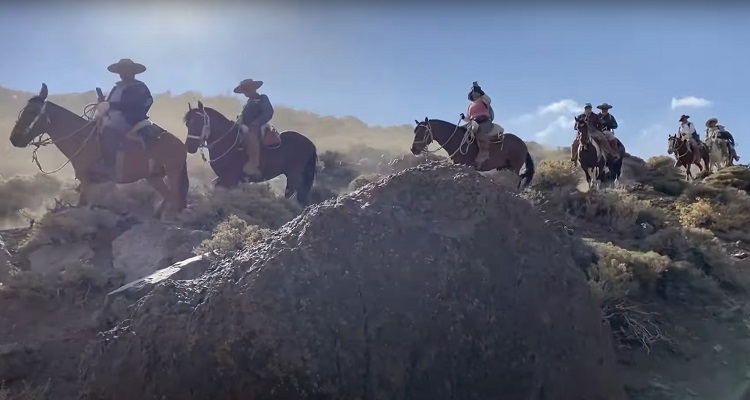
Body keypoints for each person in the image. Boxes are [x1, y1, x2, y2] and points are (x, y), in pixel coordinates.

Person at [97, 58, 154, 180]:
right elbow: (111, 103)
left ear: (133, 72)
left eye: (125, 70)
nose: (122, 73)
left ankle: (109, 167)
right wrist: (103, 104)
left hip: (130, 118)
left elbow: (138, 102)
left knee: (109, 132)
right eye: (121, 71)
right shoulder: (116, 87)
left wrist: (111, 105)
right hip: (112, 116)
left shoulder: (139, 87)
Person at [234, 78, 274, 178]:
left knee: (250, 133)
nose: (245, 92)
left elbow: (268, 112)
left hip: (259, 125)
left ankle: (254, 164)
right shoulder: (248, 103)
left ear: (253, 88)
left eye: (246, 89)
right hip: (245, 126)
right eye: (244, 90)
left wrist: (256, 123)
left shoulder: (262, 98)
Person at [460, 81, 499, 167]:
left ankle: (483, 155)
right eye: (474, 93)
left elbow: (489, 100)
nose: (475, 94)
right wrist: (463, 118)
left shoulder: (483, 100)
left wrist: (481, 92)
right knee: (461, 131)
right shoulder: (470, 106)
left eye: (476, 92)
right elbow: (468, 118)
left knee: (480, 133)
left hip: (484, 122)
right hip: (474, 122)